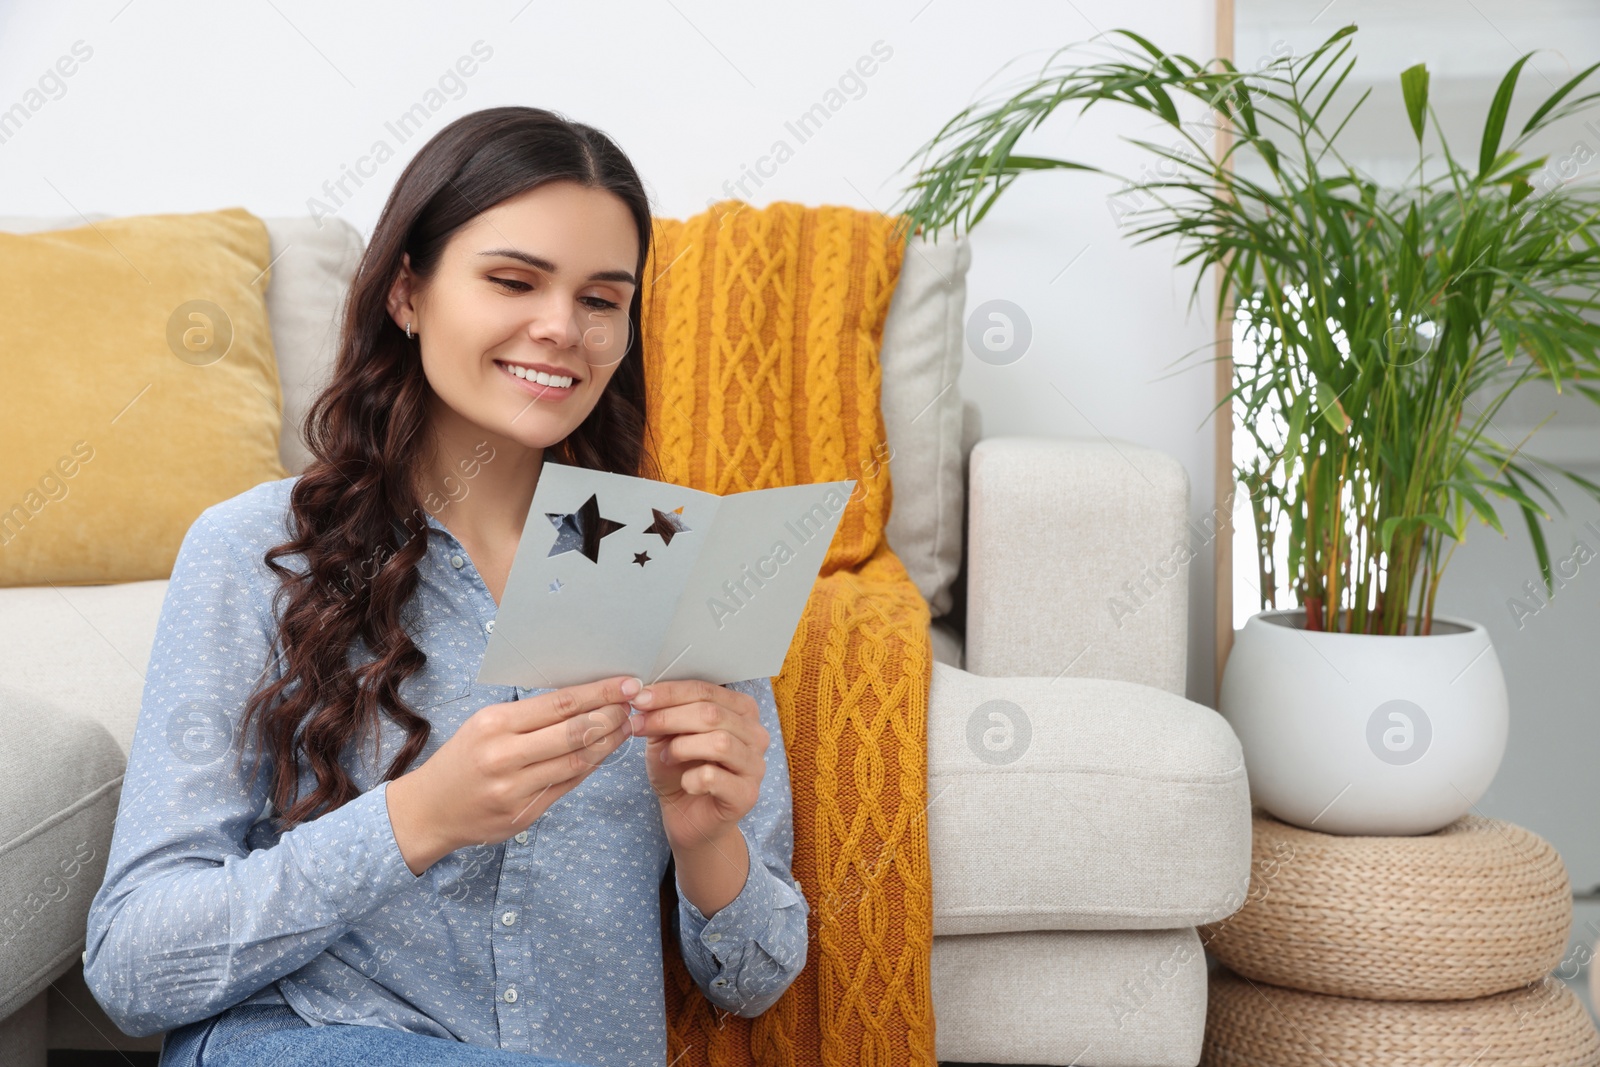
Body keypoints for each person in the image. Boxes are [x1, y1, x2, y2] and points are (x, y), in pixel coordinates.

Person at [81, 105, 809, 1067]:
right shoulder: (258, 548)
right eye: (513, 280)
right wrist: (421, 816)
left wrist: (706, 842)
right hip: (311, 1040)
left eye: (602, 299)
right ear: (408, 293)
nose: (561, 328)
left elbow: (756, 978)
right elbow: (133, 965)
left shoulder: (671, 560)